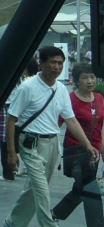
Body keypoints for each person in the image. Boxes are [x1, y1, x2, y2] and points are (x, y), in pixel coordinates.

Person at [4, 46, 99, 227]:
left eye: (60, 63)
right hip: (30, 143)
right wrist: (11, 152)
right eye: (53, 62)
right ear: (41, 63)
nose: (57, 67)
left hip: (53, 144)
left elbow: (70, 120)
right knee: (42, 191)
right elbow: (11, 119)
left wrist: (87, 144)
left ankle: (13, 223)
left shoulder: (61, 89)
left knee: (34, 189)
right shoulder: (27, 87)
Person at [51, 63, 104, 226]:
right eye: (85, 77)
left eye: (92, 77)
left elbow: (101, 127)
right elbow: (56, 125)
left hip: (94, 153)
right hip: (75, 151)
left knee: (81, 188)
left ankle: (54, 213)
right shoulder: (70, 99)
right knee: (90, 187)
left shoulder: (100, 98)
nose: (89, 81)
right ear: (77, 80)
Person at [0, 59, 39, 181]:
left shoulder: (11, 77)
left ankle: (8, 172)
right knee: (15, 140)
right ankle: (17, 169)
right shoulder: (22, 78)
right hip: (17, 110)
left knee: (5, 141)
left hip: (6, 108)